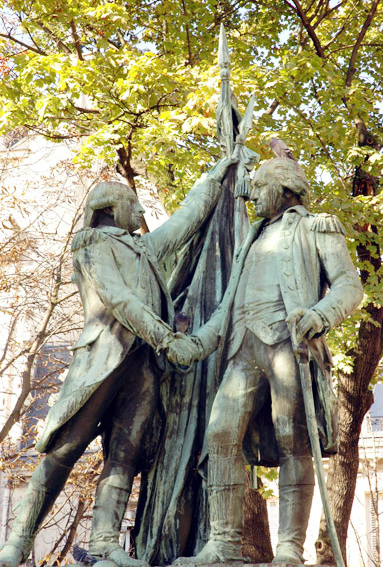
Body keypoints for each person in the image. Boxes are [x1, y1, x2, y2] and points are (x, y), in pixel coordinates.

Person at [0, 156, 234, 567]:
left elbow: (186, 218)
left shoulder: (144, 248)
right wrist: (166, 339)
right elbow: (118, 299)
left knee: (124, 456)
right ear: (110, 208)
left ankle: (105, 543)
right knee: (63, 451)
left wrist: (218, 173)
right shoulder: (91, 244)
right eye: (133, 204)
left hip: (142, 367)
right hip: (101, 359)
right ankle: (18, 541)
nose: (142, 212)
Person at [171, 156, 363, 565]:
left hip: (288, 344)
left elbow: (350, 287)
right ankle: (223, 543)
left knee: (295, 442)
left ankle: (289, 547)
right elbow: (226, 307)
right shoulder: (250, 240)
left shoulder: (317, 226)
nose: (253, 193)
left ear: (284, 188)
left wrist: (319, 315)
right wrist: (199, 343)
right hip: (242, 347)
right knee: (220, 436)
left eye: (259, 186)